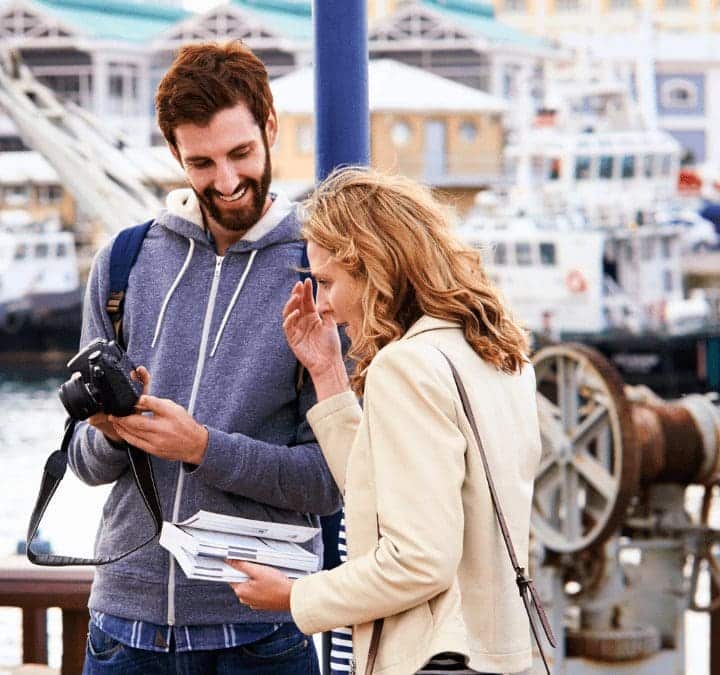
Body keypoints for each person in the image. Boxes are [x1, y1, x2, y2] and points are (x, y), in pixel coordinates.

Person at [67, 41, 340, 673]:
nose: (226, 181)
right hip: (123, 629)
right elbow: (82, 464)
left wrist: (201, 447)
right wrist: (113, 434)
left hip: (259, 634)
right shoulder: (122, 262)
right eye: (202, 162)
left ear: (271, 127)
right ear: (174, 154)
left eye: (241, 153)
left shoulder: (323, 267)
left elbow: (329, 483)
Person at [229, 168, 540, 674]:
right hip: (497, 654)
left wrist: (295, 596)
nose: (323, 303)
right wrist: (328, 372)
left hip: (432, 659)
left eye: (327, 282)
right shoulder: (499, 355)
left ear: (372, 266)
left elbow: (420, 560)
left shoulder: (407, 364)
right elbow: (394, 495)